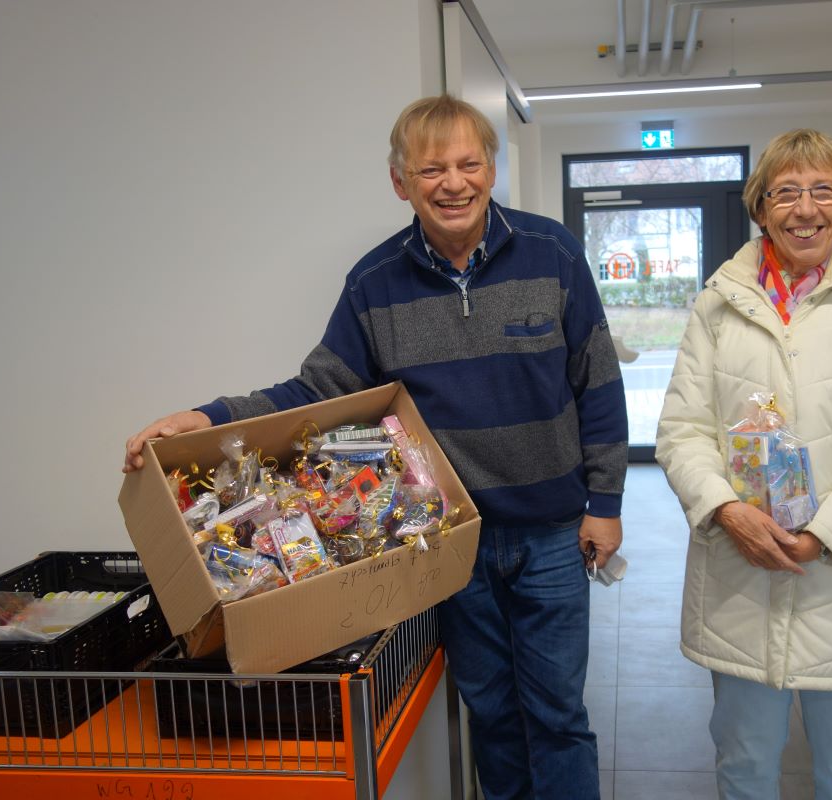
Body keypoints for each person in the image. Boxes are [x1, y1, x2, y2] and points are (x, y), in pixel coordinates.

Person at [123, 95, 627, 800]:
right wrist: (202, 419)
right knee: (492, 713)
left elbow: (597, 382)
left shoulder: (553, 254)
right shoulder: (373, 282)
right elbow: (314, 391)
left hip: (550, 535)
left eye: (467, 163)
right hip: (450, 545)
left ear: (490, 168)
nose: (453, 183)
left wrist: (605, 503)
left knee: (557, 715)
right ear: (401, 183)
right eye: (430, 169)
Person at [655, 128, 832, 800]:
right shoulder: (718, 306)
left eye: (822, 191)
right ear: (760, 209)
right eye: (786, 193)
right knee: (744, 767)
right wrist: (729, 512)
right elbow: (681, 430)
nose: (805, 208)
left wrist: (820, 537)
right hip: (739, 574)